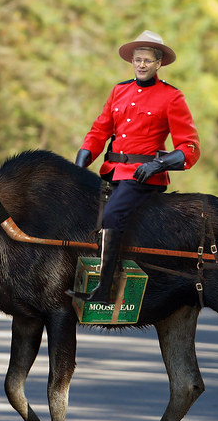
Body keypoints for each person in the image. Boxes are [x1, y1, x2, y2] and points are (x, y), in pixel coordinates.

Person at [68, 30, 200, 304]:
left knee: (113, 216)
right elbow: (98, 131)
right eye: (137, 60)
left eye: (147, 61)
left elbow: (189, 146)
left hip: (142, 177)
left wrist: (158, 164)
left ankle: (104, 290)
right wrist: (80, 165)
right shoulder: (119, 90)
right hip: (111, 171)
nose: (141, 65)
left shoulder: (172, 97)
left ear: (158, 63)